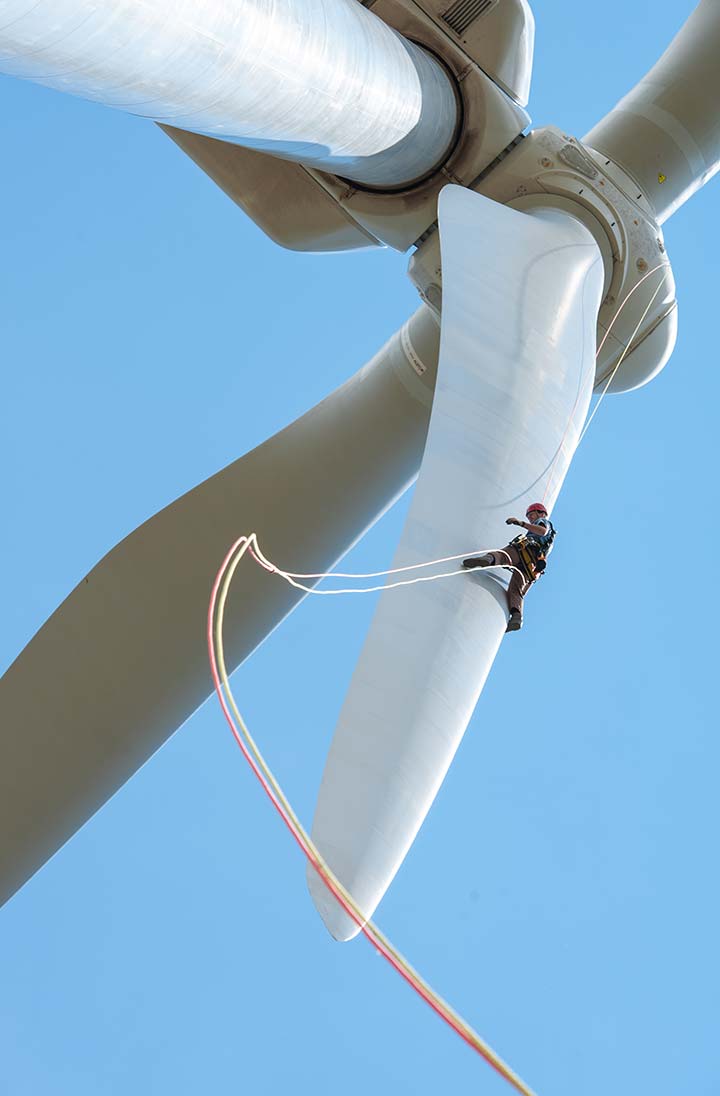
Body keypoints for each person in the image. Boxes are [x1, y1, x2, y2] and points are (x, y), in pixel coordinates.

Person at [462, 503, 556, 632]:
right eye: (528, 517)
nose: (531, 519)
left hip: (526, 552)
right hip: (531, 567)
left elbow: (542, 531)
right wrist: (525, 589)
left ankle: (487, 560)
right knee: (515, 591)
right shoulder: (550, 542)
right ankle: (517, 617)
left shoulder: (543, 522)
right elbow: (525, 588)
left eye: (532, 515)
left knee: (504, 555)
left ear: (541, 513)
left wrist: (521, 523)